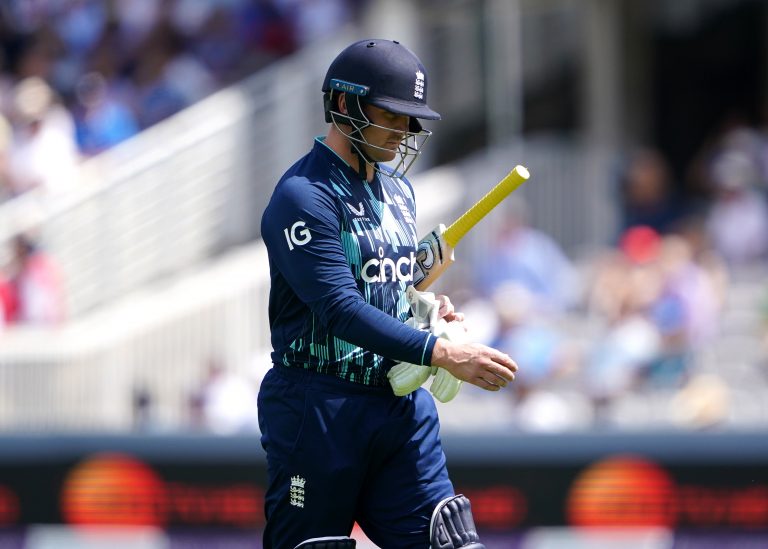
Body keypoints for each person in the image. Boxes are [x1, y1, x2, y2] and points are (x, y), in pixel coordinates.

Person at [257, 38, 518, 549]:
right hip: (319, 409)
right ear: (342, 105)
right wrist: (442, 352)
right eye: (390, 116)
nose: (403, 132)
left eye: (409, 120)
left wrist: (425, 306)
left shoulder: (399, 192)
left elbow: (383, 290)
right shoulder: (302, 197)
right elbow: (338, 308)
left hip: (398, 405)